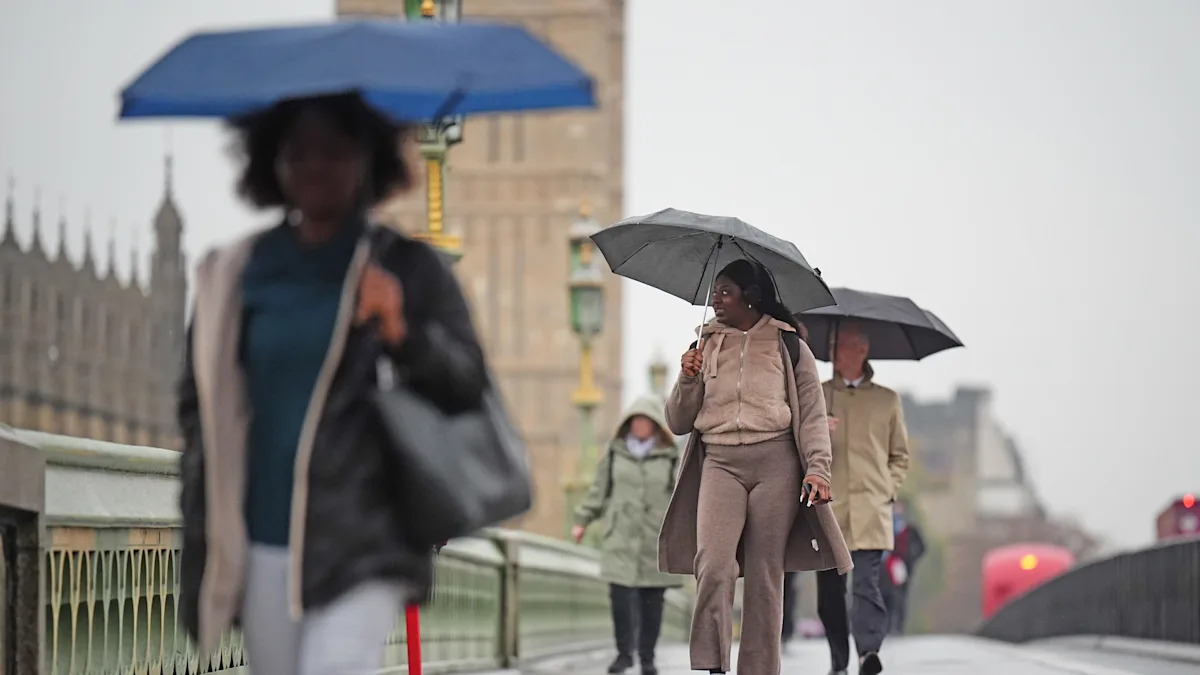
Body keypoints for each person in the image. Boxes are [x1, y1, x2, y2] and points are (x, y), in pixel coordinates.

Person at [176, 92, 488, 675]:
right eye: (299, 152)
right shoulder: (238, 272)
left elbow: (467, 384)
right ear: (271, 162)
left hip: (365, 535)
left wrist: (401, 331)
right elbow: (197, 397)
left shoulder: (406, 267)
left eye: (335, 151)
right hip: (263, 534)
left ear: (368, 160)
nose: (316, 165)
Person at [657, 259, 853, 675]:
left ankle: (760, 669)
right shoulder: (704, 345)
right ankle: (712, 663)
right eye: (714, 291)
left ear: (751, 296)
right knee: (713, 563)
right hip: (720, 463)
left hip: (775, 464)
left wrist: (818, 469)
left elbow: (813, 414)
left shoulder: (789, 346)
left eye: (725, 291)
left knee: (765, 574)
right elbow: (677, 422)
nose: (715, 299)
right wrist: (687, 379)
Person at [817, 323, 911, 675]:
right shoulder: (818, 395)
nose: (835, 351)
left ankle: (868, 652)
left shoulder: (887, 400)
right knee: (830, 593)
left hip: (872, 508)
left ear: (862, 350)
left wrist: (888, 489)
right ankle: (838, 660)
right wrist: (818, 431)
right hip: (828, 509)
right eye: (833, 344)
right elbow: (797, 448)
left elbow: (899, 456)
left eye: (843, 344)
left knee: (867, 585)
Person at [572, 395, 683, 675]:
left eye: (645, 420)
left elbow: (682, 498)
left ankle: (647, 658)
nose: (639, 425)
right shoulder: (615, 453)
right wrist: (582, 521)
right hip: (621, 536)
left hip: (654, 539)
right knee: (620, 598)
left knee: (652, 603)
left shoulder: (670, 457)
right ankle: (624, 654)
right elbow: (599, 491)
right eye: (635, 420)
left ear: (656, 425)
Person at [880, 500, 926, 635]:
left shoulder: (909, 530)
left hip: (901, 567)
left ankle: (897, 627)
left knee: (899, 598)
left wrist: (910, 559)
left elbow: (921, 548)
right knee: (883, 596)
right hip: (884, 567)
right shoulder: (884, 527)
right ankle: (884, 626)